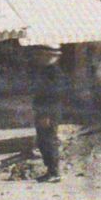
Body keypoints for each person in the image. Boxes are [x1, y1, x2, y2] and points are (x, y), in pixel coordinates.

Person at [30, 47, 64, 181]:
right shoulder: (45, 71)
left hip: (49, 112)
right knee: (43, 140)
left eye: (43, 54)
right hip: (43, 111)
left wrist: (46, 115)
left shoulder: (54, 73)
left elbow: (52, 96)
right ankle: (50, 171)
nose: (40, 57)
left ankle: (54, 172)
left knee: (49, 140)